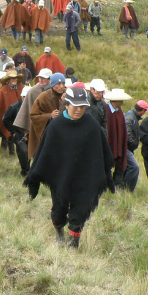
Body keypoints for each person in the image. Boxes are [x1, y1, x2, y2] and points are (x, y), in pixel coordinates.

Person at [26, 85, 115, 249]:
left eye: (83, 106)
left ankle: (74, 243)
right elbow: (44, 153)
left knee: (81, 209)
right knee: (59, 209)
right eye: (76, 106)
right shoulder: (56, 126)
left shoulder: (92, 125)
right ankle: (59, 229)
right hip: (61, 177)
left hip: (84, 177)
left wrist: (103, 174)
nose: (79, 110)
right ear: (67, 104)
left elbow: (101, 152)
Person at [107, 89, 140, 191]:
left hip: (121, 146)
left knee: (131, 167)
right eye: (121, 100)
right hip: (109, 146)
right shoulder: (106, 110)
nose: (122, 102)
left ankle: (122, 190)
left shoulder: (119, 111)